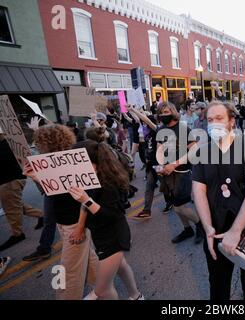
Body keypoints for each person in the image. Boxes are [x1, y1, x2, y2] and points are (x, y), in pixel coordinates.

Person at [192, 101, 245, 300]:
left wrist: (236, 230)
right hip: (215, 229)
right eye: (209, 120)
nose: (214, 124)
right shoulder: (201, 152)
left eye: (219, 119)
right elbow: (198, 190)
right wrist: (207, 227)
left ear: (231, 121)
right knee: (217, 283)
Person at [23, 124, 98, 299]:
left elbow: (86, 200)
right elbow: (54, 192)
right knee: (89, 259)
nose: (37, 147)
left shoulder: (74, 163)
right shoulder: (51, 164)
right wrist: (35, 177)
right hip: (64, 223)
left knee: (68, 271)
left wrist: (80, 227)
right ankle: (105, 288)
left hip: (75, 224)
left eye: (39, 143)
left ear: (46, 144)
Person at [68, 140, 144, 300]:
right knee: (121, 266)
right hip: (101, 234)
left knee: (102, 291)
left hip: (113, 237)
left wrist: (86, 200)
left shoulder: (108, 182)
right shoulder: (87, 177)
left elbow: (112, 214)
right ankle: (136, 296)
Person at [155, 102, 204, 244]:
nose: (164, 115)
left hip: (183, 172)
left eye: (166, 112)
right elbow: (160, 150)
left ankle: (200, 225)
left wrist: (174, 164)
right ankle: (187, 229)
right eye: (162, 113)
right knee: (177, 207)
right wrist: (161, 166)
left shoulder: (183, 129)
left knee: (179, 206)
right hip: (167, 174)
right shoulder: (160, 130)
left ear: (173, 112)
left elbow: (194, 150)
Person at [0, 129, 44, 251]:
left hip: (10, 180)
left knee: (12, 209)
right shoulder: (9, 143)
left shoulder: (7, 145)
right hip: (10, 180)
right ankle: (42, 215)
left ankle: (17, 234)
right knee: (14, 205)